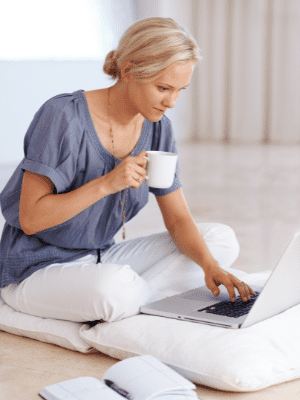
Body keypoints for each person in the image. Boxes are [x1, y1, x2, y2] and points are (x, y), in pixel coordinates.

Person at [0, 17, 255, 323]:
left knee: (219, 239)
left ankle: (144, 294)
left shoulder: (159, 128)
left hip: (99, 257)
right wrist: (107, 183)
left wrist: (209, 265)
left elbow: (177, 218)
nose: (171, 102)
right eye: (163, 87)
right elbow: (30, 219)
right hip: (36, 268)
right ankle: (153, 297)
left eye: (179, 90)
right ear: (129, 70)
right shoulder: (63, 116)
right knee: (112, 290)